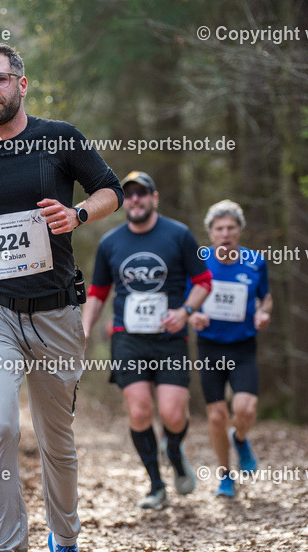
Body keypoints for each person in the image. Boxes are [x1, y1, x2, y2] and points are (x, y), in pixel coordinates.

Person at [0, 43, 123, 552]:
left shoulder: (59, 138)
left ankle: (66, 546)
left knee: (55, 440)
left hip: (55, 314)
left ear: (21, 84)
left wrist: (78, 214)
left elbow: (111, 190)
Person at [82, 171, 212, 510]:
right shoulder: (110, 242)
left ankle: (174, 451)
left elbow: (203, 281)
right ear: (123, 202)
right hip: (128, 338)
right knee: (139, 411)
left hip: (170, 338)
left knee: (172, 414)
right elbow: (97, 293)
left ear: (154, 198)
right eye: (129, 194)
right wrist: (84, 330)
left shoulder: (179, 235)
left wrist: (185, 311)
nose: (135, 199)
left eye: (142, 192)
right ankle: (156, 485)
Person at [189, 200, 272, 497]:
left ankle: (240, 439)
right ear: (211, 233)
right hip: (209, 346)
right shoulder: (199, 262)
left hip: (242, 346)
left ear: (239, 231)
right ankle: (225, 476)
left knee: (245, 409)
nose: (225, 233)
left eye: (231, 228)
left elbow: (265, 297)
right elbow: (187, 301)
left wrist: (263, 313)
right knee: (216, 416)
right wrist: (193, 315)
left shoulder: (255, 262)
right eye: (219, 228)